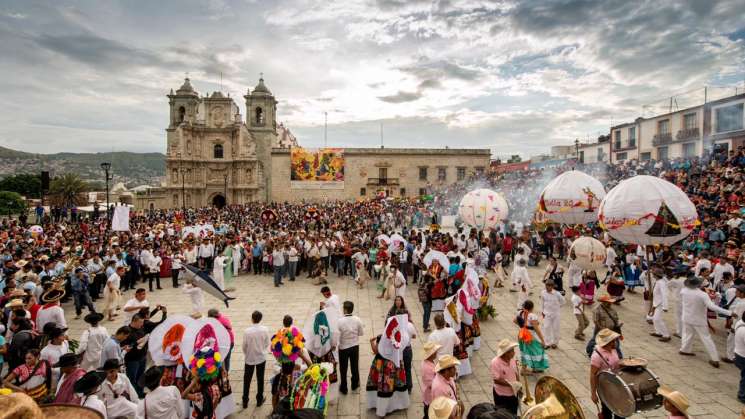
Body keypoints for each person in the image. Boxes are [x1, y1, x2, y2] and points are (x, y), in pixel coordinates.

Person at [680, 275, 733, 368]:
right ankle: (715, 359)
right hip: (699, 320)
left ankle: (685, 349)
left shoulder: (684, 291)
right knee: (706, 338)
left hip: (687, 317)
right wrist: (729, 312)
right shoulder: (702, 295)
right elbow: (712, 307)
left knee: (688, 334)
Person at [366, 314, 410, 417]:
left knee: (383, 386)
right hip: (395, 364)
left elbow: (376, 351)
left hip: (382, 365)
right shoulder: (401, 337)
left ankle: (381, 408)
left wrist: (371, 342)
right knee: (395, 384)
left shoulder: (381, 337)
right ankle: (397, 404)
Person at [590, 329, 624, 419]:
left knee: (621, 410)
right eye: (613, 341)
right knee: (607, 411)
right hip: (604, 388)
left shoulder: (613, 349)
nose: (615, 342)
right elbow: (592, 375)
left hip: (616, 385)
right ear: (607, 342)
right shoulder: (596, 356)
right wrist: (593, 393)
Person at [242, 310, 270, 408]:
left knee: (247, 380)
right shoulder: (265, 329)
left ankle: (245, 400)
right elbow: (267, 343)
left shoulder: (247, 331)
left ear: (252, 318)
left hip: (249, 358)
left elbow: (244, 346)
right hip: (261, 357)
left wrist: (247, 353)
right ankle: (259, 399)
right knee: (260, 378)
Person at [337, 300, 364, 395]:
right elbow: (361, 333)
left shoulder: (339, 321)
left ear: (344, 310)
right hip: (354, 346)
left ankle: (344, 387)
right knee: (354, 366)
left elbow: (337, 336)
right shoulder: (357, 319)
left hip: (343, 348)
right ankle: (354, 384)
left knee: (343, 368)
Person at [515, 300, 548, 374]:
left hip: (522, 334)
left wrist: (523, 326)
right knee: (537, 350)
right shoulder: (532, 316)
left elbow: (515, 320)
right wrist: (542, 340)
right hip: (530, 336)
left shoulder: (520, 312)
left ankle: (527, 368)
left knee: (525, 351)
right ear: (532, 307)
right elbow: (536, 329)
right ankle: (531, 368)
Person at [490, 339, 520, 415]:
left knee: (513, 414)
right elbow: (496, 380)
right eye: (512, 351)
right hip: (501, 395)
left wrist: (518, 384)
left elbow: (516, 372)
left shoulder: (512, 359)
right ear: (506, 353)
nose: (514, 352)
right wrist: (512, 384)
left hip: (513, 393)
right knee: (502, 415)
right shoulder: (495, 362)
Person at [124, 313, 148, 397]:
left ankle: (140, 392)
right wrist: (136, 343)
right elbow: (125, 346)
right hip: (132, 360)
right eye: (140, 323)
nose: (142, 325)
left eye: (142, 323)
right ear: (134, 321)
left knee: (141, 377)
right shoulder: (127, 331)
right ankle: (133, 395)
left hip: (142, 357)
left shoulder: (140, 328)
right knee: (132, 378)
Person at [540, 280, 565, 349]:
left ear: (552, 286)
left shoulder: (557, 294)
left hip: (555, 314)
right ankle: (547, 343)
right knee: (546, 327)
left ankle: (555, 343)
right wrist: (542, 311)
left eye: (549, 286)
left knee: (555, 328)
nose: (547, 288)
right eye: (546, 286)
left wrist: (557, 307)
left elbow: (563, 301)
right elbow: (542, 302)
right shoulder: (543, 293)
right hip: (546, 313)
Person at [650, 267, 671, 342]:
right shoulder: (658, 281)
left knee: (657, 319)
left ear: (656, 275)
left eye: (653, 274)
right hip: (656, 303)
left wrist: (665, 306)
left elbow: (664, 295)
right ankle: (658, 332)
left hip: (660, 303)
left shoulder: (662, 283)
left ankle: (666, 335)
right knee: (654, 318)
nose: (652, 275)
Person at [421, 342, 441, 419]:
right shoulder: (427, 367)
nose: (436, 353)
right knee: (429, 413)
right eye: (435, 351)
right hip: (430, 395)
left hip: (429, 393)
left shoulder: (428, 362)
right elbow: (431, 384)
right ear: (431, 354)